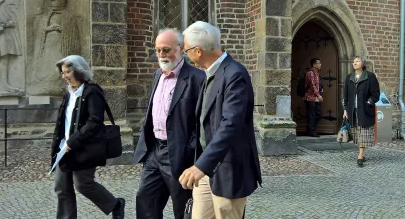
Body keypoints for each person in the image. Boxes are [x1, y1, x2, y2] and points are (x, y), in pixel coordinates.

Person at [179, 21, 262, 219]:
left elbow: (230, 125)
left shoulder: (235, 74)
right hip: (206, 168)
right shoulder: (209, 74)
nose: (185, 55)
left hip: (228, 169)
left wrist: (201, 165)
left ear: (197, 51)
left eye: (186, 50)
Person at [133, 29, 205, 219]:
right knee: (146, 201)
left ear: (181, 49)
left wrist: (188, 151)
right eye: (158, 50)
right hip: (154, 151)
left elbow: (201, 123)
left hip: (179, 154)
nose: (161, 55)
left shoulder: (197, 79)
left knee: (182, 208)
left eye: (166, 50)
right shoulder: (158, 75)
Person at [51, 55, 125, 219]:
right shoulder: (69, 92)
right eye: (63, 73)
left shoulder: (92, 91)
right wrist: (60, 143)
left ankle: (116, 204)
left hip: (84, 148)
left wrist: (74, 141)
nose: (65, 76)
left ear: (79, 70)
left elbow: (95, 121)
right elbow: (63, 120)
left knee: (83, 184)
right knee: (61, 187)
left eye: (68, 71)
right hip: (65, 147)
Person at [343, 56, 380, 167]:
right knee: (357, 132)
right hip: (352, 109)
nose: (355, 63)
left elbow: (376, 94)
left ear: (362, 64)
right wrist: (345, 109)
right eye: (354, 61)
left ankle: (360, 155)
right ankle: (361, 153)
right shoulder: (349, 78)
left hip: (364, 109)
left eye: (357, 61)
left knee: (363, 131)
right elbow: (346, 95)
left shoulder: (370, 76)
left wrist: (368, 103)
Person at [304, 58, 323, 137]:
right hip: (310, 97)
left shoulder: (317, 73)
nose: (320, 65)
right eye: (319, 63)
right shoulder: (310, 73)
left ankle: (310, 129)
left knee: (318, 114)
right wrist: (318, 95)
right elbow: (312, 85)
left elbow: (317, 84)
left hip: (315, 98)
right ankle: (311, 131)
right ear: (314, 65)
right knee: (312, 115)